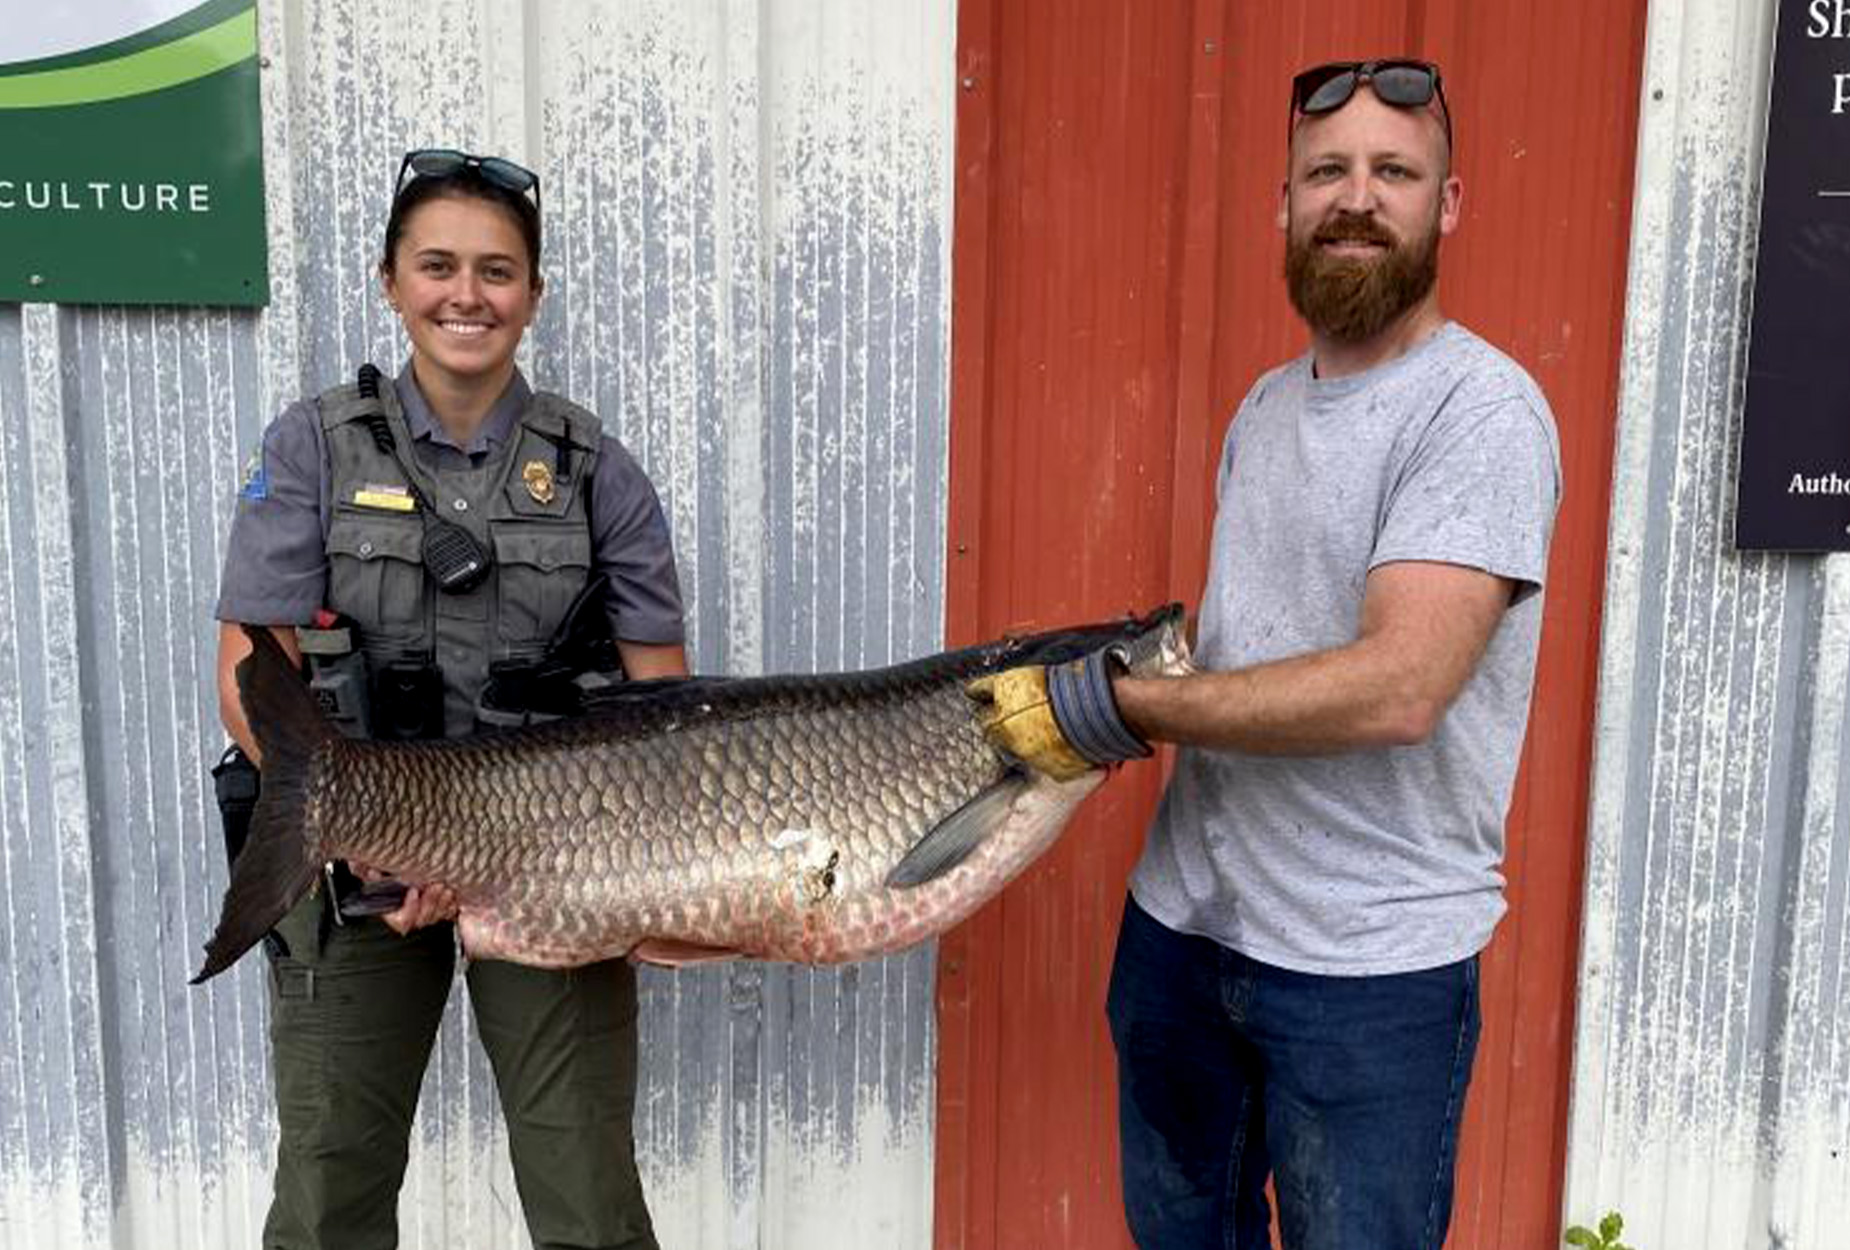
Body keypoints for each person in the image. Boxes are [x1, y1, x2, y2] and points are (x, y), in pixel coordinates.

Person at [971, 60, 1562, 1249]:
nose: (1355, 199)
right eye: (1325, 173)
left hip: (1366, 968)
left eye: (1393, 173)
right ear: (1281, 206)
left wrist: (1124, 707)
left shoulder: (1478, 412)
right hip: (1184, 932)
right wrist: (1120, 676)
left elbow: (1399, 687)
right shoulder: (1263, 406)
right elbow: (1257, 641)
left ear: (1445, 207)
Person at [214, 148, 686, 1250]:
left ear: (533, 294)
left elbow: (663, 708)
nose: (465, 294)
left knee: (585, 1182)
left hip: (555, 865)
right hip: (350, 857)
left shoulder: (596, 472)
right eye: (436, 264)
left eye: (496, 270)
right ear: (390, 281)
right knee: (330, 1177)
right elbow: (251, 671)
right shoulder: (312, 447)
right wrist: (381, 844)